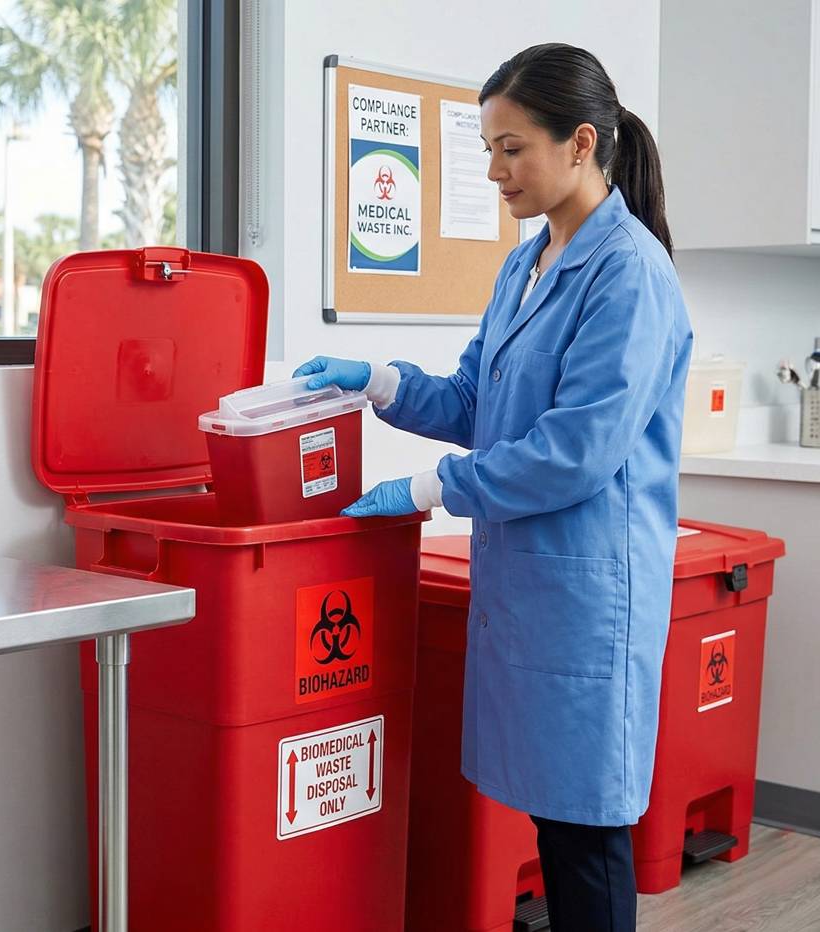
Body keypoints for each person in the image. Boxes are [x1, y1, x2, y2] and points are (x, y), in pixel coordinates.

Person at [296, 44, 692, 932]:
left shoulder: (629, 273)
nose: (494, 170)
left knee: (586, 838)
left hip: (593, 595)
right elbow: (481, 400)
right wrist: (380, 383)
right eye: (488, 147)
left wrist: (431, 487)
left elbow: (574, 450)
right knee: (556, 831)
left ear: (581, 142)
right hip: (529, 588)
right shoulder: (525, 264)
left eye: (512, 147)